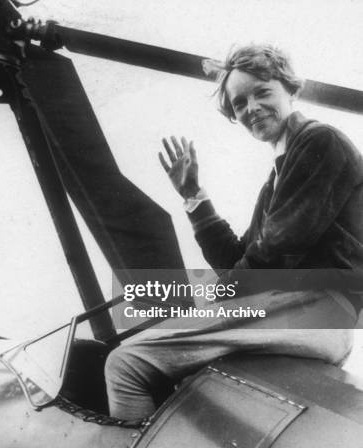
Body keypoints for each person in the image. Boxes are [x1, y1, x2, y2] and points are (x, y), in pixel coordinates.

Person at [104, 44, 363, 421]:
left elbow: (274, 251)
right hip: (308, 317)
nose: (251, 108)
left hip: (314, 308)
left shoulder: (318, 141)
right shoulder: (277, 178)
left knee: (126, 363)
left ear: (291, 90)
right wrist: (194, 195)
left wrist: (214, 296)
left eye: (262, 92)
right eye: (239, 103)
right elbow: (236, 258)